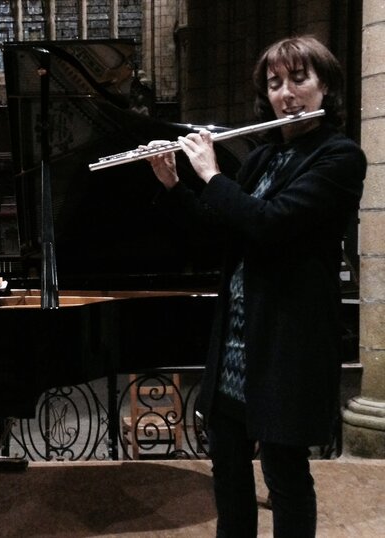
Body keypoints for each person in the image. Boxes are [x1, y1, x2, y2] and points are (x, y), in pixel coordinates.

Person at [145, 35, 366, 537]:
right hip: (236, 341)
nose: (286, 93)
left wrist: (211, 174)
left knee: (285, 476)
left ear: (325, 86)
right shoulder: (263, 158)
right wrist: (174, 184)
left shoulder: (339, 158)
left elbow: (270, 223)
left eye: (299, 79)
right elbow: (218, 232)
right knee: (227, 471)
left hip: (288, 342)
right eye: (275, 83)